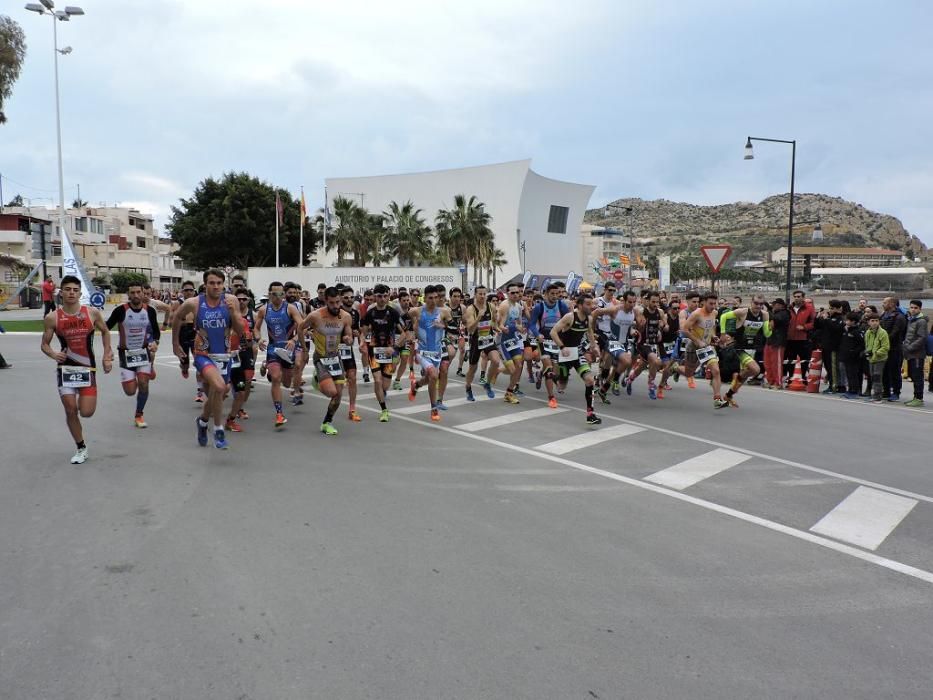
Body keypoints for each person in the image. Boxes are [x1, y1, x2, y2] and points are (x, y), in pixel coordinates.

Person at [41, 275, 114, 463]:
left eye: (75, 290)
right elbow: (45, 345)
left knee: (86, 412)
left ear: (80, 293)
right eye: (67, 289)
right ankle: (81, 447)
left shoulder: (91, 313)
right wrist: (53, 354)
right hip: (65, 370)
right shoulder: (52, 317)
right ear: (61, 292)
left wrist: (107, 355)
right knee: (71, 409)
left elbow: (105, 331)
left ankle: (84, 401)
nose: (71, 293)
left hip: (87, 369)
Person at [173, 269, 244, 448]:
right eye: (212, 283)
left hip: (224, 356)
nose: (216, 286)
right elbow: (177, 317)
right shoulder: (194, 303)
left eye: (219, 283)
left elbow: (241, 331)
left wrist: (234, 312)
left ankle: (203, 422)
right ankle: (219, 431)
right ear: (205, 285)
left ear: (223, 284)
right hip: (203, 354)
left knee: (217, 393)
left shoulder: (231, 300)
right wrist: (175, 344)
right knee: (220, 387)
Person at [299, 287, 354, 436]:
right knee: (331, 392)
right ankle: (317, 379)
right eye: (332, 303)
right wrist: (304, 350)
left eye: (338, 302)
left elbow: (349, 334)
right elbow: (300, 328)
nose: (336, 306)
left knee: (338, 396)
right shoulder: (316, 316)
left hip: (336, 358)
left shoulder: (346, 316)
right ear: (326, 301)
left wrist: (349, 340)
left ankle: (326, 423)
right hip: (321, 358)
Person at [106, 282, 161, 428]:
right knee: (130, 391)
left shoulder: (150, 311)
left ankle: (139, 414)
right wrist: (108, 349)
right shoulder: (120, 311)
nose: (136, 295)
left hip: (143, 351)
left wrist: (156, 342)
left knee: (143, 383)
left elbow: (156, 330)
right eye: (133, 293)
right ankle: (135, 377)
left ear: (143, 293)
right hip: (125, 353)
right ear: (128, 294)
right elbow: (106, 328)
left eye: (138, 292)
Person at [254, 281, 305, 428]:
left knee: (287, 383)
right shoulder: (264, 310)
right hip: (273, 349)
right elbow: (256, 329)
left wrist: (294, 340)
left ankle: (266, 366)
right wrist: (259, 339)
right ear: (269, 294)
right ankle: (279, 414)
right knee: (276, 378)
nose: (278, 297)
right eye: (275, 294)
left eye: (281, 294)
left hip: (288, 350)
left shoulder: (290, 309)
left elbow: (303, 327)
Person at [549, 292, 602, 425]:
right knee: (562, 385)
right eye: (588, 304)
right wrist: (562, 347)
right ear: (579, 305)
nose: (591, 306)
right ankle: (547, 374)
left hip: (577, 353)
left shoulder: (589, 319)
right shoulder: (570, 317)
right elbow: (553, 332)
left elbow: (589, 332)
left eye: (592, 304)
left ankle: (590, 414)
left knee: (590, 380)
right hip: (565, 353)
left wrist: (594, 346)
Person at [360, 283, 405, 422]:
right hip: (374, 351)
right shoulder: (370, 313)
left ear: (388, 296)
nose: (382, 299)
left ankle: (382, 392)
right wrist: (362, 341)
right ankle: (384, 410)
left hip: (389, 353)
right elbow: (364, 331)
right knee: (378, 381)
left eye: (385, 296)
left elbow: (405, 333)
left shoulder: (393, 312)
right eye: (379, 296)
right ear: (375, 297)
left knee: (385, 385)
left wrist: (395, 347)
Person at [408, 285, 453, 421]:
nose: (433, 300)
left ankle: (416, 385)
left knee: (429, 379)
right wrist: (411, 332)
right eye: (430, 298)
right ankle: (434, 408)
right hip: (422, 352)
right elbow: (404, 321)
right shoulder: (416, 311)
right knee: (434, 375)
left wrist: (444, 326)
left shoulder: (444, 312)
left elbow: (454, 329)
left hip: (437, 353)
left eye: (435, 297)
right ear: (425, 298)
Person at [681, 292, 728, 408]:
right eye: (710, 303)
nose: (713, 306)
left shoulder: (714, 313)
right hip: (694, 347)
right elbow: (685, 330)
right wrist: (697, 341)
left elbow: (711, 328)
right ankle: (675, 368)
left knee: (716, 371)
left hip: (706, 347)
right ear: (704, 302)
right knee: (689, 373)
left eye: (714, 303)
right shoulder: (696, 314)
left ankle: (717, 399)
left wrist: (714, 337)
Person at [462, 285, 502, 401]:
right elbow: (470, 329)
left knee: (496, 361)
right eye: (480, 294)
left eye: (484, 294)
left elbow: (493, 322)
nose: (483, 296)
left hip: (488, 339)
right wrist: (479, 317)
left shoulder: (491, 307)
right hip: (476, 340)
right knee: (472, 369)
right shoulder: (471, 309)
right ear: (475, 294)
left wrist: (497, 328)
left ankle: (487, 384)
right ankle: (468, 388)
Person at [225, 290, 256, 431]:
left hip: (235, 358)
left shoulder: (243, 321)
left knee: (241, 392)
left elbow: (247, 342)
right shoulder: (216, 319)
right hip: (218, 358)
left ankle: (230, 420)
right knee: (221, 390)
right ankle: (206, 418)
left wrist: (249, 342)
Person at [496, 282, 527, 404]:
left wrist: (520, 328)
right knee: (513, 369)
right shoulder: (504, 305)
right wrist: (503, 328)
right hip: (502, 340)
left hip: (513, 339)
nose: (515, 295)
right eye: (512, 293)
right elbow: (499, 324)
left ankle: (509, 393)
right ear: (507, 293)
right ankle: (497, 371)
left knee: (518, 367)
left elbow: (518, 323)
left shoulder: (519, 307)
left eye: (517, 292)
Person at [814, 300, 846, 393]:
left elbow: (836, 329)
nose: (830, 310)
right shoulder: (829, 318)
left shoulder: (839, 318)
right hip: (825, 346)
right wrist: (818, 317)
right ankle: (832, 384)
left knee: (833, 368)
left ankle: (834, 386)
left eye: (832, 308)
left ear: (837, 309)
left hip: (833, 347)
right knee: (828, 367)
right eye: (830, 308)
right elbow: (818, 326)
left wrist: (827, 319)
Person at [880, 297, 907, 402]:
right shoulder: (883, 315)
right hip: (884, 348)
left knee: (895, 371)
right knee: (885, 371)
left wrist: (884, 341)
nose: (883, 304)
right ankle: (886, 391)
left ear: (892, 304)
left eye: (885, 302)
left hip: (894, 348)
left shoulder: (899, 317)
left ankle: (896, 392)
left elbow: (895, 332)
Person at [902, 299, 928, 407]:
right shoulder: (911, 319)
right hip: (910, 353)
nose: (913, 310)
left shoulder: (921, 321)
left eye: (915, 308)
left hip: (917, 353)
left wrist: (909, 347)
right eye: (911, 307)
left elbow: (922, 338)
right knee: (913, 375)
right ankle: (915, 397)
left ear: (920, 309)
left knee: (917, 376)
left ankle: (919, 398)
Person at [785, 290, 815, 383]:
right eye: (795, 296)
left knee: (804, 360)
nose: (797, 298)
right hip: (790, 338)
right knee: (790, 360)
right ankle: (790, 377)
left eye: (799, 296)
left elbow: (813, 323)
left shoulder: (809, 308)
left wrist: (804, 327)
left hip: (803, 338)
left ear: (803, 297)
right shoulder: (789, 308)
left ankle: (802, 377)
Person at [862, 313, 889, 403]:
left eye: (876, 321)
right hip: (871, 358)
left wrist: (876, 353)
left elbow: (885, 347)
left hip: (880, 358)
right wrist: (867, 352)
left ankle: (878, 396)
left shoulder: (883, 333)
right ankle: (875, 394)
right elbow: (867, 344)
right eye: (872, 321)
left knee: (877, 376)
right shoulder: (868, 332)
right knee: (872, 376)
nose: (874, 323)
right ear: (868, 322)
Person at [764, 298, 789, 389]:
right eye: (773, 304)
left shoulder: (785, 313)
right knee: (767, 363)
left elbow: (776, 320)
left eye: (776, 304)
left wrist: (768, 311)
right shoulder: (774, 313)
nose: (774, 305)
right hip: (770, 340)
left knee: (776, 364)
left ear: (781, 305)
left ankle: (778, 383)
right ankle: (771, 381)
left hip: (778, 342)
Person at [839, 311, 865, 399]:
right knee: (848, 374)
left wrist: (854, 352)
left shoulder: (857, 332)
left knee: (854, 374)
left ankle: (855, 390)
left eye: (848, 320)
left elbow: (862, 345)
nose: (846, 321)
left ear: (853, 321)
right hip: (846, 357)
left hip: (854, 357)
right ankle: (850, 389)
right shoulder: (846, 331)